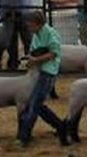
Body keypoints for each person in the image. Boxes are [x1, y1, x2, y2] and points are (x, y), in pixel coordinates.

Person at [21, 10, 70, 147]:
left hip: (47, 72)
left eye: (30, 24)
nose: (28, 26)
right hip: (39, 72)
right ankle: (60, 126)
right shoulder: (37, 34)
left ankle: (24, 136)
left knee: (34, 104)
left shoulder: (49, 33)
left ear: (37, 23)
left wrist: (35, 60)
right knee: (36, 104)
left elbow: (54, 53)